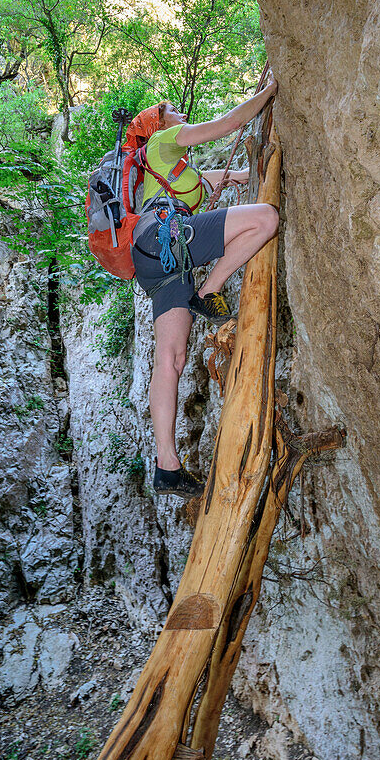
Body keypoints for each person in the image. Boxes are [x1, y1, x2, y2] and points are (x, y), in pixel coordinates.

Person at [129, 77, 279, 499]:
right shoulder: (164, 140)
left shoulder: (173, 175)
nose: (182, 116)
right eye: (173, 110)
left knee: (171, 359)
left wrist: (243, 173)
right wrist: (270, 91)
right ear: (157, 124)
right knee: (266, 218)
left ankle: (167, 465)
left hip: (153, 260)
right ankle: (209, 290)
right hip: (167, 237)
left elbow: (227, 176)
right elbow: (227, 124)